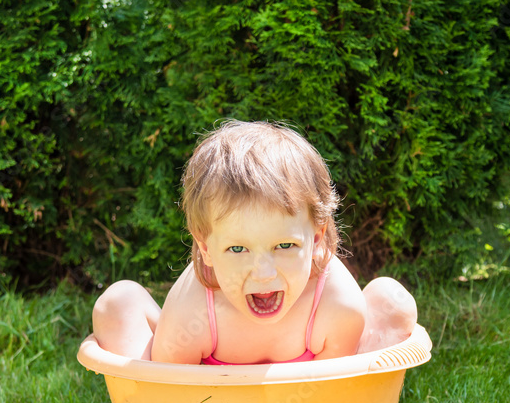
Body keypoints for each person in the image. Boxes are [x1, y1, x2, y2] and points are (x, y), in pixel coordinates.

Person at [92, 120, 417, 364]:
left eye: (285, 246)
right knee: (116, 306)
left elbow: (325, 394)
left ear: (317, 238)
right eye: (237, 249)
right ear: (206, 249)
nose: (263, 273)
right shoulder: (193, 315)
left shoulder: (335, 304)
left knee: (393, 304)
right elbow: (175, 397)